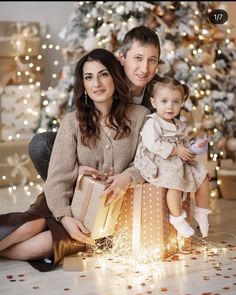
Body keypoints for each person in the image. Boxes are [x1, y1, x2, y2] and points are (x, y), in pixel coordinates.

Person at [0, 48, 150, 271]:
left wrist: (128, 175)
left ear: (115, 77)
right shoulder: (73, 121)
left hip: (97, 213)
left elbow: (148, 161)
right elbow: (59, 175)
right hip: (60, 199)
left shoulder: (140, 116)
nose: (96, 83)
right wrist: (64, 217)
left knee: (41, 247)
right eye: (88, 77)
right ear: (83, 85)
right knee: (30, 226)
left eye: (103, 74)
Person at [29, 25, 160, 181]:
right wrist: (74, 170)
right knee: (41, 144)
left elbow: (163, 146)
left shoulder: (163, 93)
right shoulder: (100, 79)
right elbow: (76, 127)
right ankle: (68, 191)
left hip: (132, 162)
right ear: (121, 58)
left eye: (152, 60)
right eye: (138, 58)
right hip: (91, 151)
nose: (144, 69)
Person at [134, 76, 212, 239]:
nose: (170, 106)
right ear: (154, 102)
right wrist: (177, 151)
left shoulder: (179, 125)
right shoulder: (152, 123)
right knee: (175, 182)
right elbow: (152, 144)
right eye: (164, 101)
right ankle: (177, 218)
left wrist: (193, 148)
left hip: (177, 159)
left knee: (203, 176)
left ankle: (202, 211)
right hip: (158, 159)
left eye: (176, 102)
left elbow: (183, 146)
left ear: (181, 103)